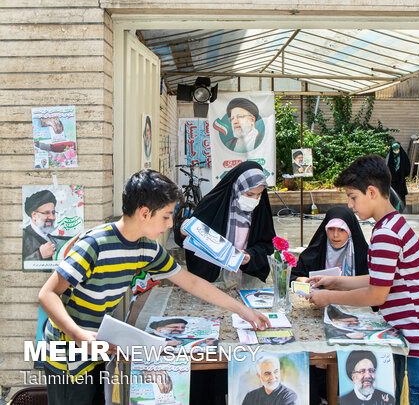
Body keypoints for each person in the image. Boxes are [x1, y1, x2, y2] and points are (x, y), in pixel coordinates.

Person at [37, 169, 270, 405]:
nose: (170, 224)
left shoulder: (147, 249)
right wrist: (78, 335)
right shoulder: (94, 245)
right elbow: (47, 294)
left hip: (99, 346)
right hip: (67, 353)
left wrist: (242, 310)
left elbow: (191, 282)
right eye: (166, 216)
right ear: (145, 213)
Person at [306, 155, 419, 405]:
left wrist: (328, 297)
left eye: (353, 197)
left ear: (372, 192)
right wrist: (337, 282)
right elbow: (381, 280)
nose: (350, 205)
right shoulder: (393, 223)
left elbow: (377, 295)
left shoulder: (386, 233)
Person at [174, 161, 276, 286]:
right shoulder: (213, 204)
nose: (254, 199)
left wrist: (250, 256)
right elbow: (186, 237)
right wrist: (183, 230)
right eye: (249, 194)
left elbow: (267, 246)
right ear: (237, 187)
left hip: (246, 279)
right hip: (212, 279)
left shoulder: (261, 211)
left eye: (259, 194)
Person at [292, 207, 369, 281]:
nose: (335, 235)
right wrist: (300, 279)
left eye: (341, 230)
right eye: (331, 229)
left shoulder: (363, 256)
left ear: (350, 232)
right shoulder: (314, 254)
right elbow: (290, 276)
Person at [23, 189, 58, 261]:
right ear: (34, 215)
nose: (52, 217)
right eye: (46, 213)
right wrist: (40, 254)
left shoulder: (51, 239)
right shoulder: (23, 236)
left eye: (53, 213)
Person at [385, 141, 410, 211]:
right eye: (394, 150)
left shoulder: (403, 157)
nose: (396, 151)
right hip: (392, 182)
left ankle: (400, 210)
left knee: (401, 196)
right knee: (392, 197)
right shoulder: (390, 157)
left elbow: (407, 168)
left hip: (400, 181)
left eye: (397, 149)